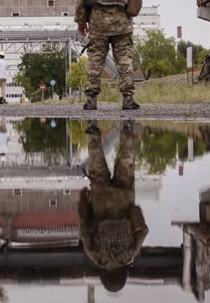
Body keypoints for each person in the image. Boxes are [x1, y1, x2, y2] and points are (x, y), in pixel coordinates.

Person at [75, 0, 147, 110]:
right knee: (124, 61)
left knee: (96, 60)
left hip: (98, 24)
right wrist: (130, 9)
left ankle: (91, 99)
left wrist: (81, 21)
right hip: (122, 24)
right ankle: (128, 99)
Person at [79, 119, 148, 293]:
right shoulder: (96, 257)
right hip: (100, 198)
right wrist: (84, 203)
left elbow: (143, 230)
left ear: (123, 274)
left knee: (126, 160)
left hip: (124, 197)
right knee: (97, 163)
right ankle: (93, 127)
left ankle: (128, 127)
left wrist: (133, 210)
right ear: (104, 276)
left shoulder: (129, 254)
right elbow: (84, 229)